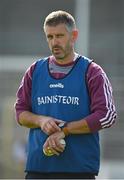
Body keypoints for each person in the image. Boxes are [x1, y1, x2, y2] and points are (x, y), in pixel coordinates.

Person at [14, 10, 117, 179]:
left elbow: (107, 115)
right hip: (38, 169)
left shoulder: (92, 72)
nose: (54, 42)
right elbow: (20, 112)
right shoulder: (34, 71)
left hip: (78, 171)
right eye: (50, 37)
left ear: (74, 35)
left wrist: (65, 131)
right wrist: (41, 121)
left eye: (60, 36)